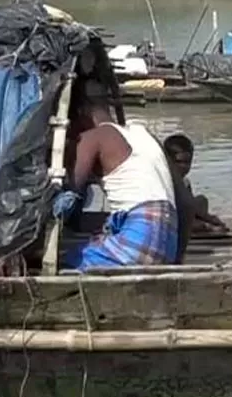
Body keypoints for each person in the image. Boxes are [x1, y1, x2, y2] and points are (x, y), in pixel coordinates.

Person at [63, 83, 180, 270]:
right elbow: (186, 204)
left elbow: (67, 195)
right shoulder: (145, 135)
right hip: (169, 247)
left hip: (140, 242)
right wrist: (176, 262)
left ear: (81, 111)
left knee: (69, 258)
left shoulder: (94, 137)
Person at [163, 134, 228, 259]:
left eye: (188, 162)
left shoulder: (184, 182)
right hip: (172, 221)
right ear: (168, 161)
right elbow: (174, 217)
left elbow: (190, 206)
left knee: (202, 200)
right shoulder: (166, 183)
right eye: (180, 162)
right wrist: (208, 227)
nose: (185, 167)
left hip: (184, 213)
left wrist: (210, 218)